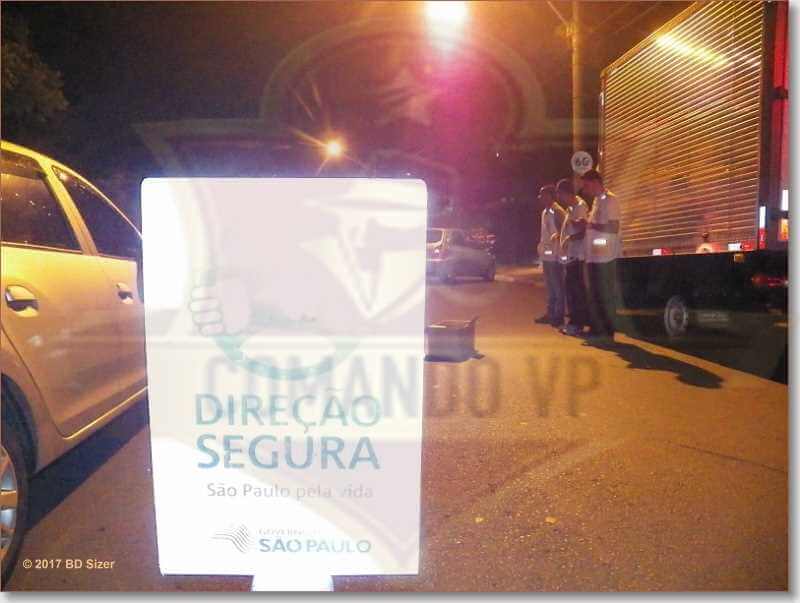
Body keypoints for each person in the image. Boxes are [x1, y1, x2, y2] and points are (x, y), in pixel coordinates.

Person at [580, 169, 621, 339]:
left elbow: (614, 227)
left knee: (606, 295)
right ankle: (597, 328)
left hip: (606, 257)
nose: (585, 189)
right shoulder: (597, 201)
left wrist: (591, 226)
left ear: (596, 182)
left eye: (587, 185)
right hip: (594, 256)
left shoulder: (611, 200)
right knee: (595, 294)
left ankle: (607, 330)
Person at [556, 178, 589, 336]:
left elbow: (583, 230)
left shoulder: (580, 206)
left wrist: (569, 238)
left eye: (560, 195)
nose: (559, 198)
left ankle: (577, 324)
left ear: (567, 193)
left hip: (578, 256)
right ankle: (573, 323)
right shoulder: (570, 209)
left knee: (576, 292)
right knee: (571, 291)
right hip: (570, 256)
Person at [535, 184, 566, 326]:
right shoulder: (545, 212)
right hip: (547, 255)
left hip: (556, 256)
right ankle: (551, 313)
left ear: (550, 196)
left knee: (557, 287)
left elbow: (564, 231)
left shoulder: (557, 211)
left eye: (543, 195)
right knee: (550, 287)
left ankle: (558, 316)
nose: (540, 197)